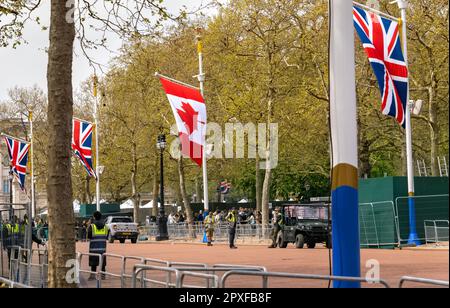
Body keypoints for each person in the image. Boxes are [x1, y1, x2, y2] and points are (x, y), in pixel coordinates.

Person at [87, 211, 108, 280]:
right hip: (102, 248)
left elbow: (89, 236)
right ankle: (103, 276)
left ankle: (93, 276)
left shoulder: (92, 226)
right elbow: (106, 236)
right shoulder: (105, 226)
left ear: (94, 217)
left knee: (93, 263)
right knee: (102, 263)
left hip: (94, 248)